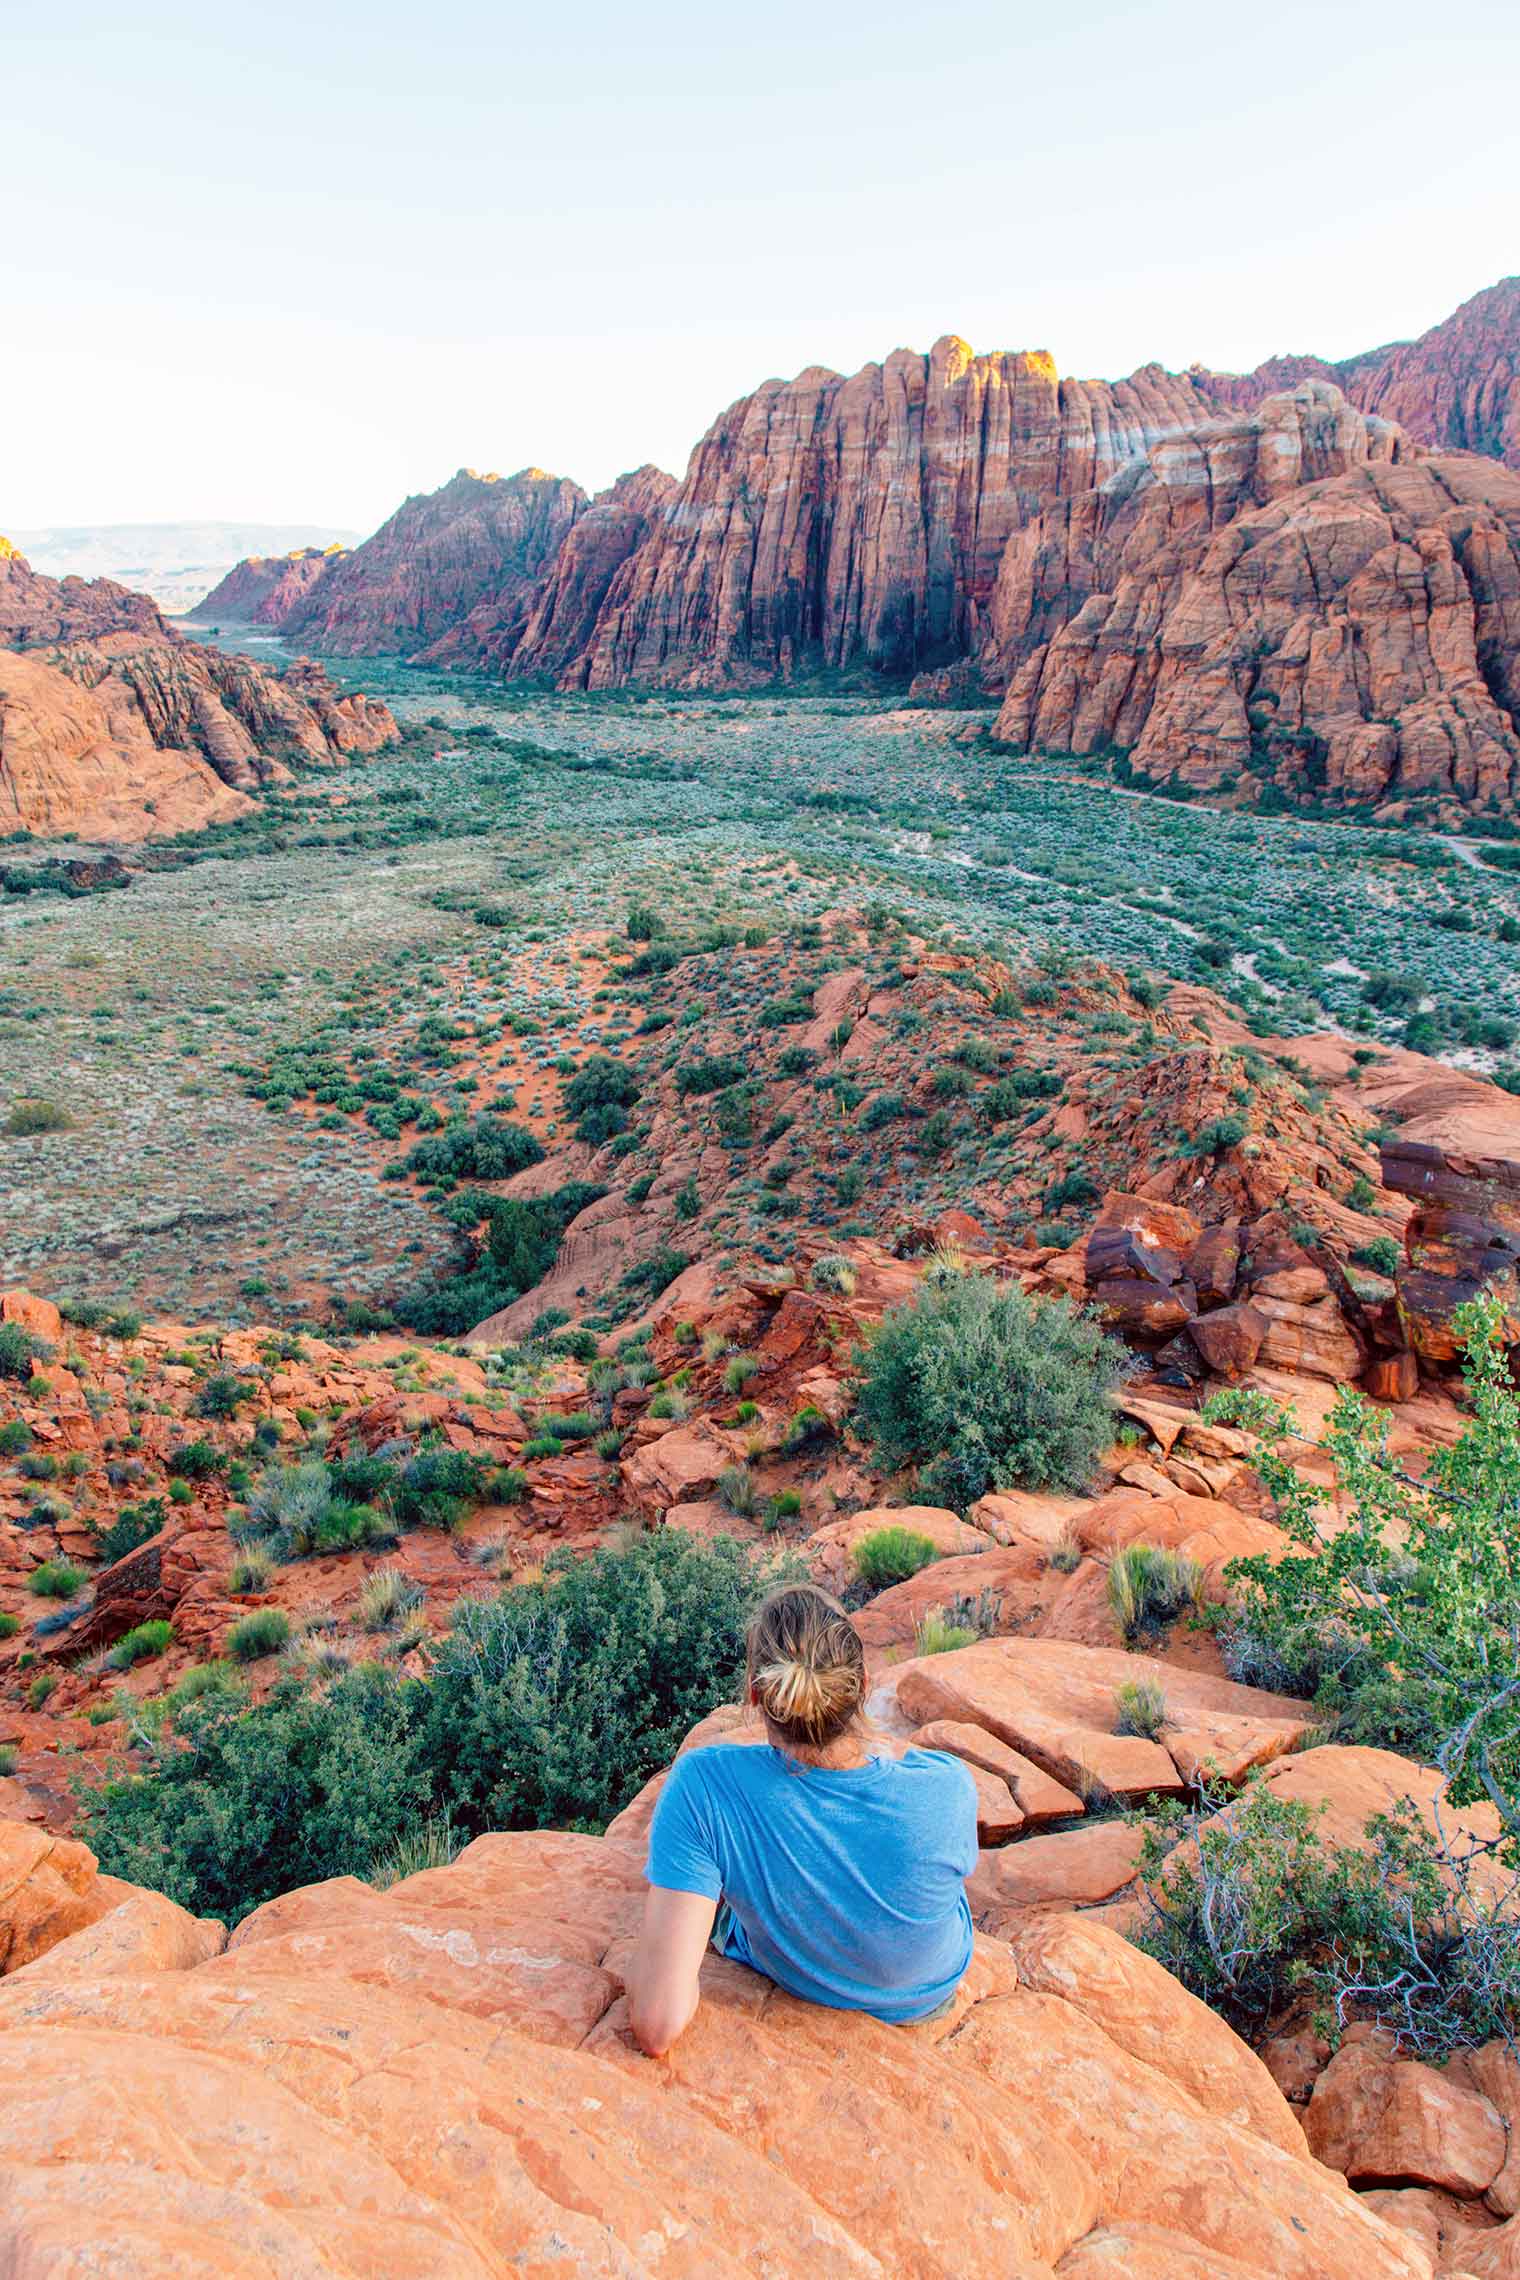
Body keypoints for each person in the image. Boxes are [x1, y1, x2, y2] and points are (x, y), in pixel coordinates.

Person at [626, 1580, 978, 2057]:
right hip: (926, 1995)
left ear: (755, 1694)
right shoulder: (947, 1785)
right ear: (862, 1687)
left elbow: (657, 2025)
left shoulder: (705, 1785)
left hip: (797, 1977)